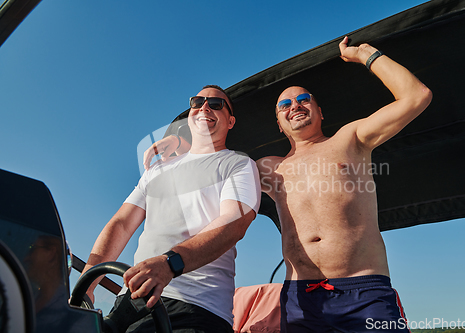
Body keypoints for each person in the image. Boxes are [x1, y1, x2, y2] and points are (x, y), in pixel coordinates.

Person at [144, 37, 432, 332]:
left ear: (320, 113)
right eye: (284, 104)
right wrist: (184, 140)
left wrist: (366, 55)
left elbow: (415, 96)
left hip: (363, 291)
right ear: (279, 124)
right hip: (300, 299)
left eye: (304, 99)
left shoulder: (351, 139)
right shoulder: (267, 167)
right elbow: (216, 163)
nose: (295, 105)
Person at [82, 85, 261, 333]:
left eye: (216, 104)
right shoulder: (157, 169)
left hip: (196, 307)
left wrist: (170, 263)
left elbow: (233, 222)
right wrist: (87, 284)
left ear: (230, 121)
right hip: (130, 301)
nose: (205, 107)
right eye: (197, 102)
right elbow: (122, 223)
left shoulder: (238, 164)